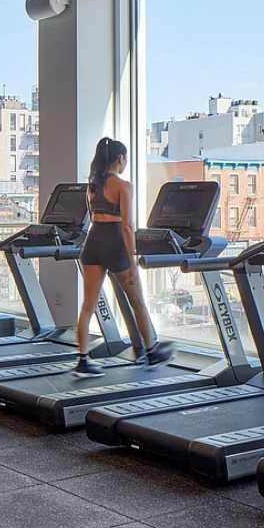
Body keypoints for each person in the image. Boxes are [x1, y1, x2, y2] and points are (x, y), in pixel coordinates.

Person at [74, 137, 174, 377]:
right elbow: (127, 226)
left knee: (87, 305)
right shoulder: (123, 186)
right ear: (121, 159)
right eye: (126, 158)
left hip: (93, 243)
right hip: (115, 244)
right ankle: (151, 353)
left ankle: (82, 360)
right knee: (137, 302)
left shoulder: (92, 187)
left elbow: (92, 216)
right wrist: (133, 261)